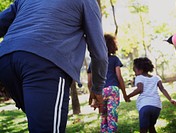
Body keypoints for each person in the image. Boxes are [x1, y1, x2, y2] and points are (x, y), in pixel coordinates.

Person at [0, 0, 108, 132]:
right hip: (44, 63)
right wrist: (97, 89)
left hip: (5, 60)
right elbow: (100, 54)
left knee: (39, 124)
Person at [88, 34, 130, 133]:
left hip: (100, 91)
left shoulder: (94, 62)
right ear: (112, 46)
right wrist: (125, 94)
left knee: (104, 116)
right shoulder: (114, 59)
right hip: (112, 90)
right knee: (112, 115)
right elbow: (119, 77)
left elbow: (90, 82)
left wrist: (92, 97)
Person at [127, 57, 176, 133]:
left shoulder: (139, 77)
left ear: (140, 70)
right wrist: (170, 99)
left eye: (135, 69)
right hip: (156, 106)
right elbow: (162, 89)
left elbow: (139, 89)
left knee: (143, 129)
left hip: (145, 106)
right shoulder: (156, 77)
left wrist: (128, 96)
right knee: (151, 127)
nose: (134, 71)